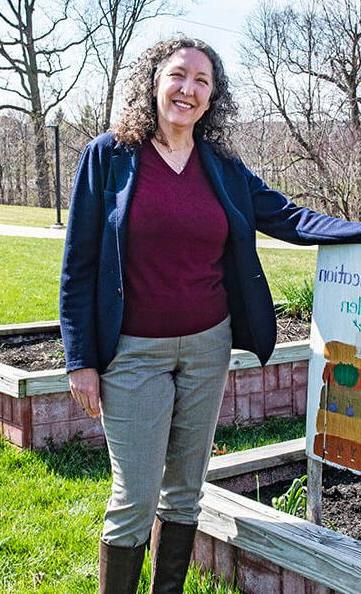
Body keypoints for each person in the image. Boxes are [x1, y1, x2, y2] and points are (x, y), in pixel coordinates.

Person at [59, 37, 361, 594]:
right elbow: (78, 264)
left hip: (206, 348)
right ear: (153, 81)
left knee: (185, 493)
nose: (188, 89)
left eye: (202, 81)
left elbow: (285, 214)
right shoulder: (109, 157)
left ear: (213, 97)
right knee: (135, 497)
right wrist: (80, 359)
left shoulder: (220, 165)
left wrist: (356, 230)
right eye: (178, 75)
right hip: (132, 355)